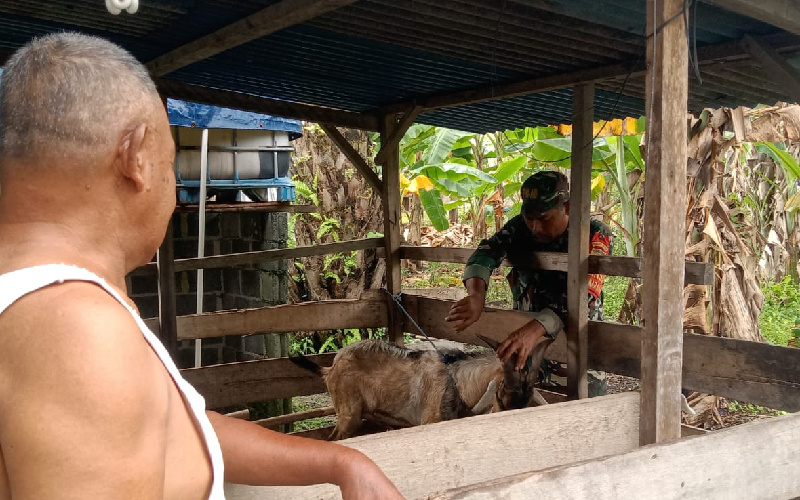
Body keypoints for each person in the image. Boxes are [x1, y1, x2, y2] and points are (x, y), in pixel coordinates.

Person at [0, 33, 405, 500]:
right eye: (170, 164)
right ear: (135, 157)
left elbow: (174, 426)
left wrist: (339, 461)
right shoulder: (74, 330)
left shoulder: (41, 306)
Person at [446, 171, 612, 395]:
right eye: (529, 218)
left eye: (543, 219)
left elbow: (586, 292)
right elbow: (485, 254)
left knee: (585, 419)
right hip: (529, 358)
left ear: (568, 207)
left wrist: (535, 329)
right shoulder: (520, 229)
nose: (535, 227)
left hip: (578, 358)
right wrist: (476, 295)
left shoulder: (594, 233)